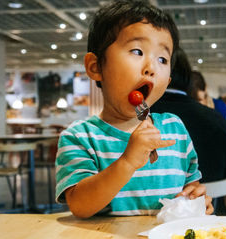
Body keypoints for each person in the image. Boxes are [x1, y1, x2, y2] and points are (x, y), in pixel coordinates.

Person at [55, 1, 213, 218]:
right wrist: (127, 162)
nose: (151, 68)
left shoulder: (174, 128)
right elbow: (80, 206)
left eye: (162, 59)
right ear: (96, 67)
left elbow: (191, 185)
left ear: (167, 80)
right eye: (137, 51)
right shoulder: (80, 137)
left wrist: (195, 200)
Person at [151, 48, 226, 215]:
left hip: (152, 215)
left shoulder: (139, 117)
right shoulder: (215, 117)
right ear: (188, 78)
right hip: (213, 209)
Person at [190, 71, 226, 137]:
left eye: (200, 99)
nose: (198, 105)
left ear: (206, 88)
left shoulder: (219, 105)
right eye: (193, 100)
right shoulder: (187, 108)